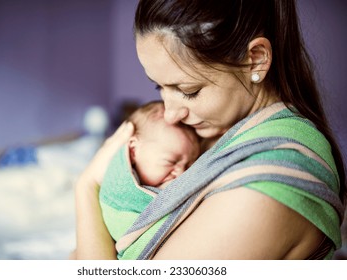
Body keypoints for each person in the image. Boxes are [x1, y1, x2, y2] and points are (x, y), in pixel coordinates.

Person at [73, 0, 346, 260]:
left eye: (188, 90)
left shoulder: (267, 186)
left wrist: (87, 187)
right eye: (160, 87)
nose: (170, 113)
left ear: (256, 60)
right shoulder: (211, 136)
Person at [98, 101, 200, 258]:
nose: (182, 172)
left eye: (189, 165)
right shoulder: (118, 187)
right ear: (133, 150)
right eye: (171, 162)